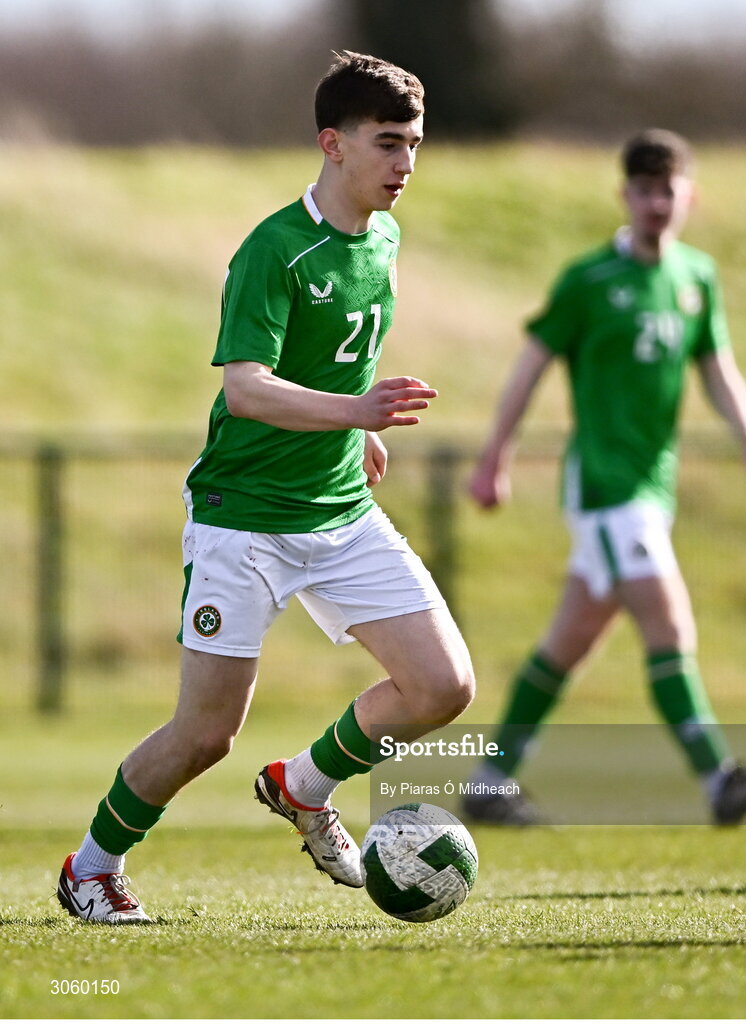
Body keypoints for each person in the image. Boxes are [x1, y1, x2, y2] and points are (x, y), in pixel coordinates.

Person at [57, 51, 475, 924]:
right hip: (242, 521)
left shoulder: (385, 237)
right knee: (206, 735)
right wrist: (353, 408)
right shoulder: (274, 250)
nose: (405, 164)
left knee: (441, 688)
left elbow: (340, 356)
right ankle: (91, 867)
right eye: (388, 143)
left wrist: (354, 429)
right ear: (332, 143)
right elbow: (244, 386)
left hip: (341, 514)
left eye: (416, 145)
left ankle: (303, 785)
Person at [462, 128, 746, 827]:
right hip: (608, 490)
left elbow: (715, 367)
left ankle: (488, 785)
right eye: (642, 190)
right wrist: (495, 457)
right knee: (668, 623)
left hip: (653, 489)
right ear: (624, 195)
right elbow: (529, 366)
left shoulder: (695, 278)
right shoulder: (588, 281)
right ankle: (718, 781)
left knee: (567, 644)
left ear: (688, 196)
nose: (654, 203)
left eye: (666, 190)